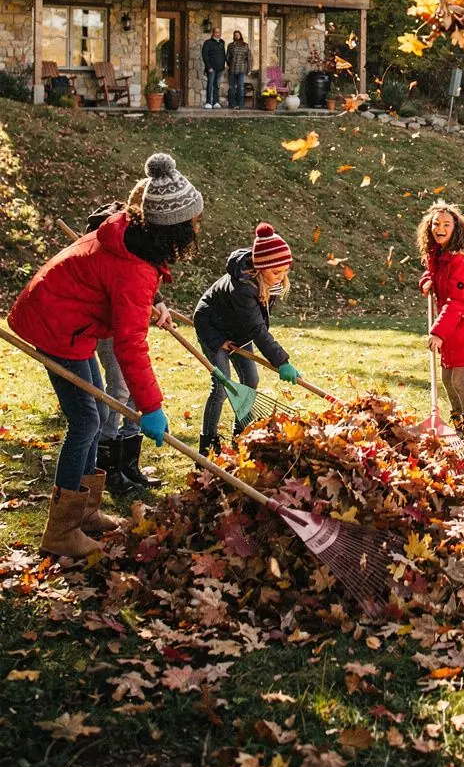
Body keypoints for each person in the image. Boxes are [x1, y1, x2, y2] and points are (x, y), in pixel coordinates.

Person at [8, 154, 203, 559]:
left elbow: (123, 281)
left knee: (96, 412)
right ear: (172, 228)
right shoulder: (135, 268)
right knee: (85, 421)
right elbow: (130, 344)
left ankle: (86, 510)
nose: (196, 229)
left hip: (67, 318)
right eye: (192, 223)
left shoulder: (132, 236)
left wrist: (154, 299)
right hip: (56, 323)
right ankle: (61, 531)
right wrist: (151, 407)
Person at [84, 200, 172, 495]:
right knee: (119, 390)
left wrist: (158, 301)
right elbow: (122, 272)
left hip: (127, 320)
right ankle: (107, 466)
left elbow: (140, 266)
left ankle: (128, 464)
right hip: (109, 324)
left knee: (135, 393)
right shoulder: (109, 234)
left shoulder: (136, 237)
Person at [193, 223, 301, 454]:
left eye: (285, 271)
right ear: (261, 268)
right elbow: (257, 328)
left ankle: (241, 434)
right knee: (221, 387)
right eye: (276, 272)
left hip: (238, 331)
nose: (281, 277)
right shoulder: (242, 288)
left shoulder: (267, 282)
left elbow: (255, 322)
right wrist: (281, 361)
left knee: (251, 380)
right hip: (212, 328)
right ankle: (208, 443)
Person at [416, 202, 464, 455]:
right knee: (447, 378)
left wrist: (438, 332)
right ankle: (459, 429)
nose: (440, 228)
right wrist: (427, 280)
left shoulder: (461, 259)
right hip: (453, 324)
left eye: (446, 224)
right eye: (436, 224)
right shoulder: (438, 253)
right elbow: (434, 274)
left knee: (460, 379)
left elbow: (458, 300)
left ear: (455, 228)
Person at [226, 29, 253, 110]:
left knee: (240, 87)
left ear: (240, 36)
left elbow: (249, 58)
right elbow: (227, 57)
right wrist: (230, 64)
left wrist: (249, 69)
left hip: (241, 70)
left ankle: (240, 105)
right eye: (235, 35)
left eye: (238, 35)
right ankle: (231, 104)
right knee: (231, 87)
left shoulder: (245, 45)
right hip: (232, 70)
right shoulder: (230, 45)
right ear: (233, 36)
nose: (236, 36)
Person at [202, 26, 226, 109]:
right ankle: (208, 102)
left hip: (220, 68)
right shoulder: (207, 43)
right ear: (213, 33)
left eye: (219, 32)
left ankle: (216, 102)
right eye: (216, 32)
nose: (217, 34)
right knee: (210, 85)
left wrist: (224, 66)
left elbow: (223, 55)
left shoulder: (222, 42)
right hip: (211, 68)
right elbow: (205, 55)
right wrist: (208, 67)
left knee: (217, 85)